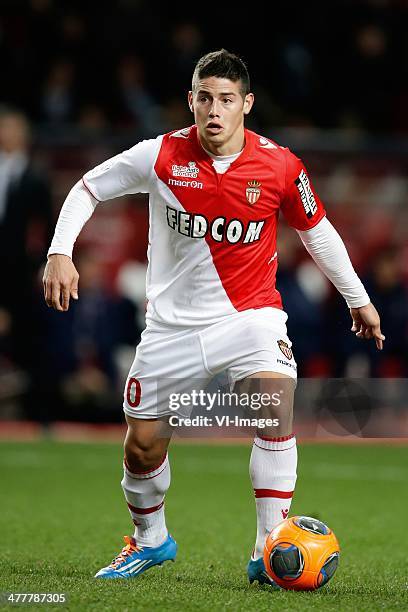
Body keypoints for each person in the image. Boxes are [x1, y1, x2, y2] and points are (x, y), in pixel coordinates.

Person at [43, 50, 384, 585]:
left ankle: (269, 549)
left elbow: (317, 230)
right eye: (205, 98)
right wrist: (59, 250)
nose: (214, 110)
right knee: (142, 444)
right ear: (191, 101)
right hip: (171, 329)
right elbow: (88, 187)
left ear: (246, 104)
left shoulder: (280, 165)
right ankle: (151, 540)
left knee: (274, 407)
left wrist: (356, 297)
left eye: (226, 99)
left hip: (252, 319)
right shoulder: (159, 156)